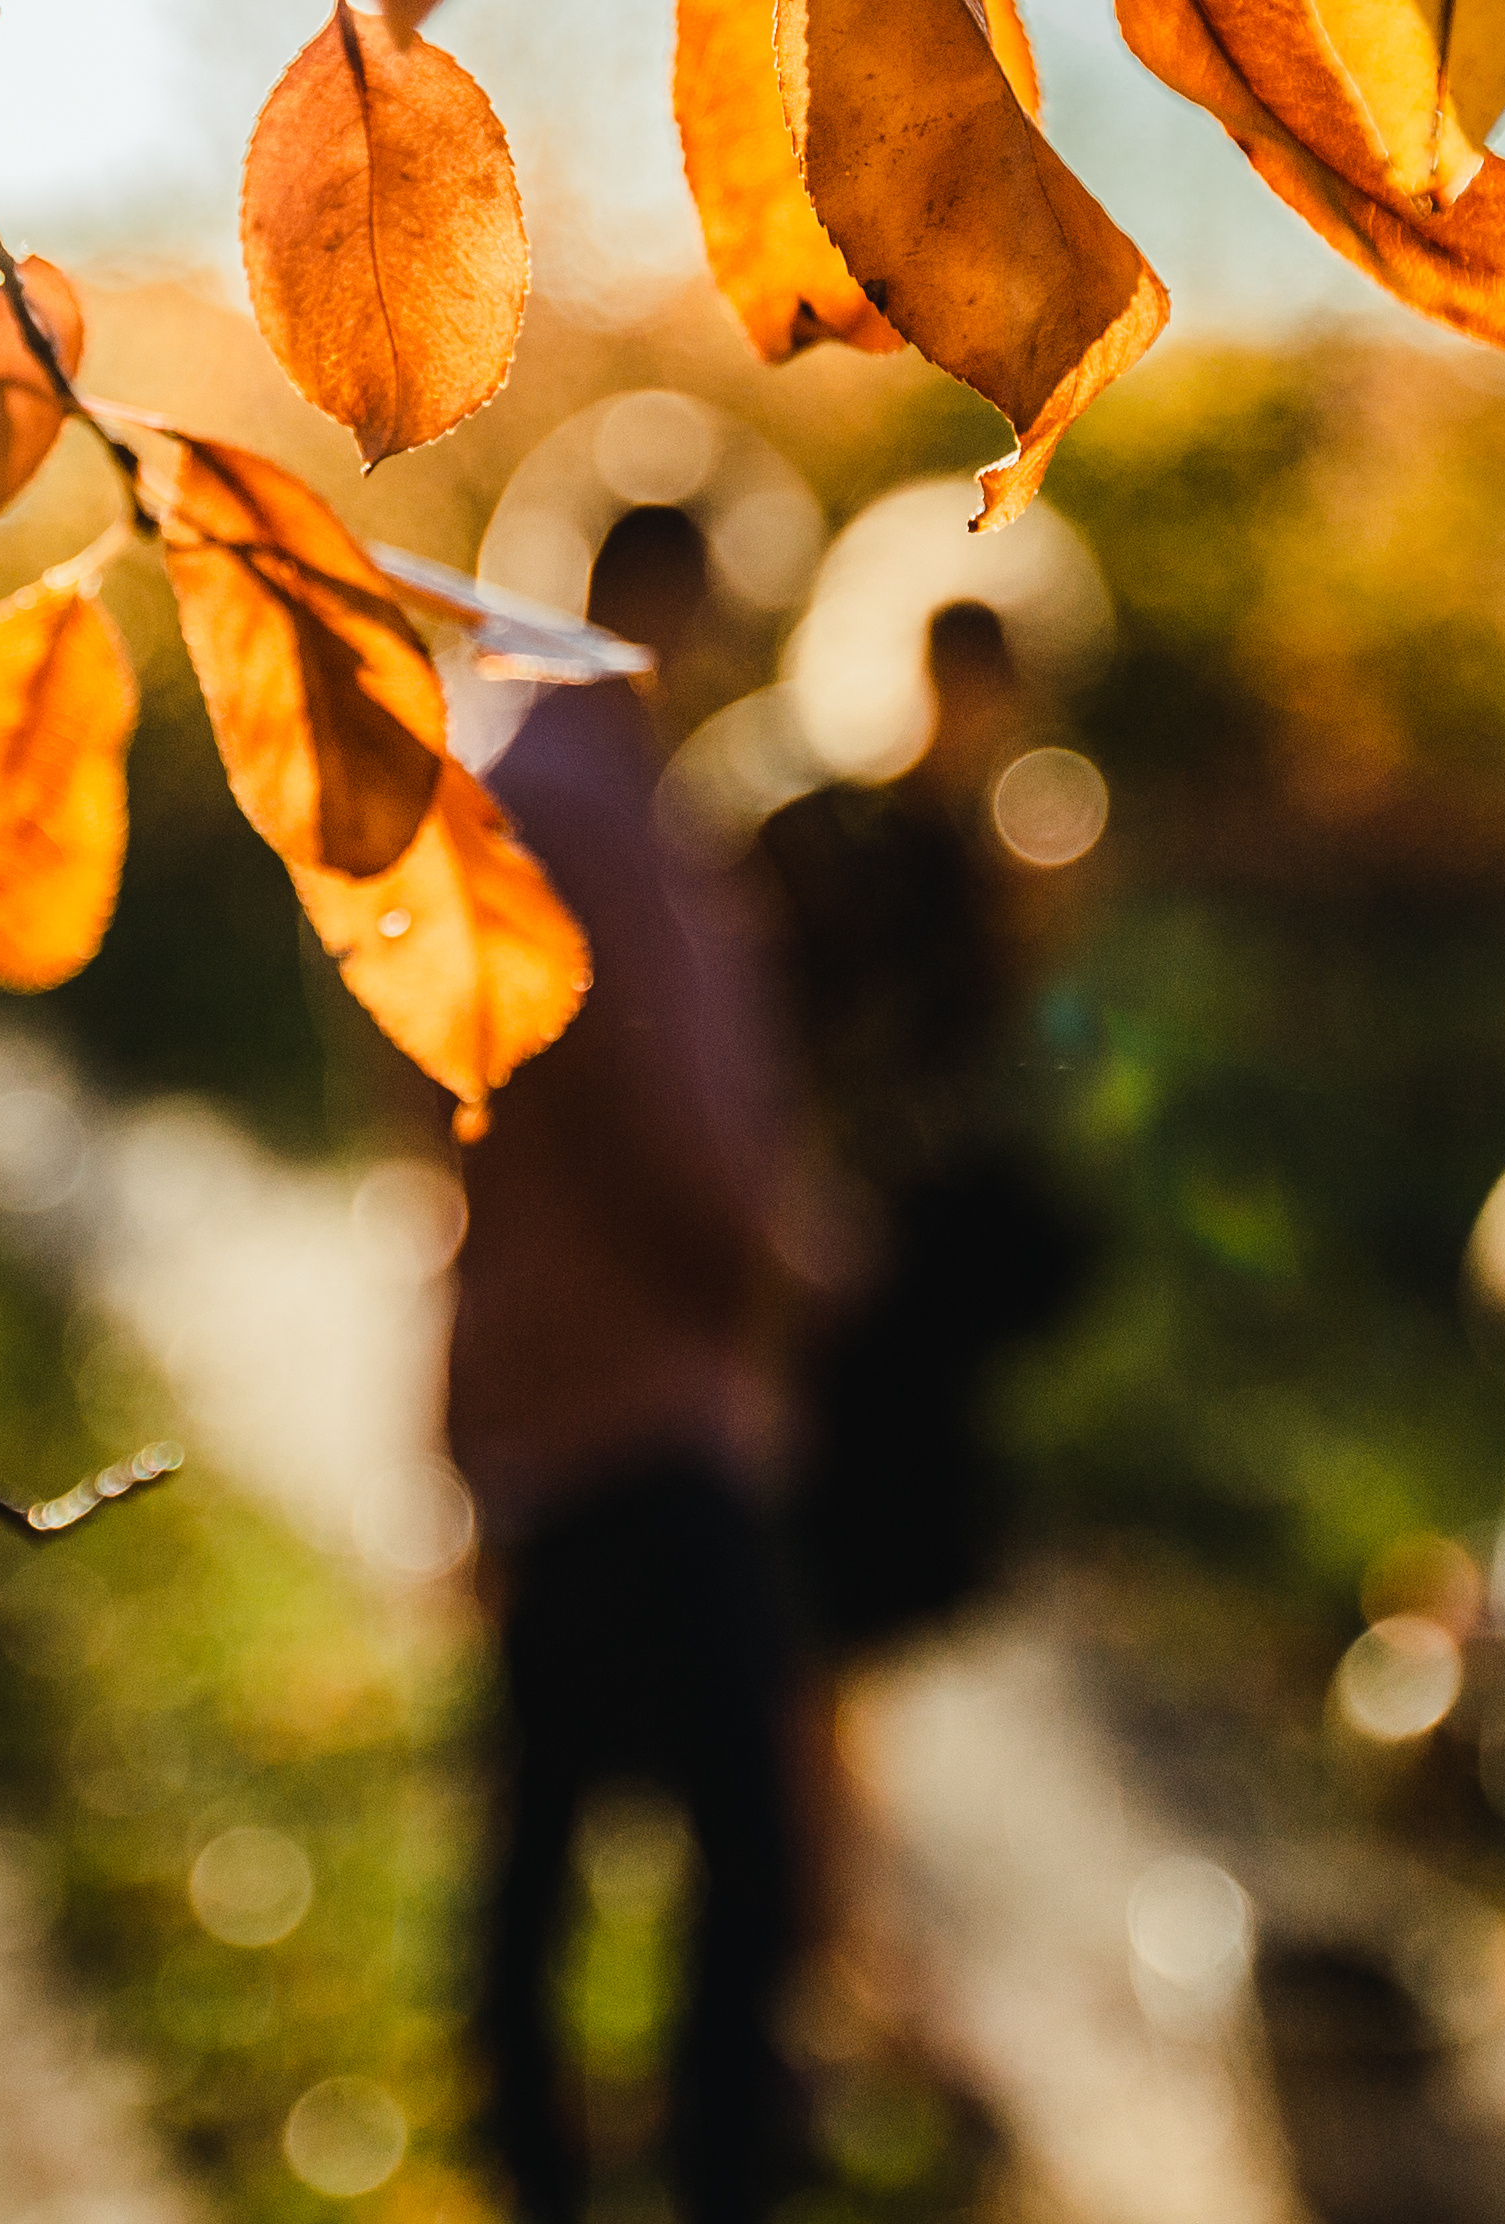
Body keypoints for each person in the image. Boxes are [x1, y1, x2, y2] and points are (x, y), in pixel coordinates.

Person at [446, 503, 818, 2224]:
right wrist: (774, 1262)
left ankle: (539, 2153)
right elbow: (655, 1097)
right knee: (742, 1846)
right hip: (630, 1384)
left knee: (547, 1803)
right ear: (655, 593)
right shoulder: (591, 799)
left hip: (535, 1358)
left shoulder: (511, 765)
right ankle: (691, 2169)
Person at [756, 599, 1097, 1663]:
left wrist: (1032, 920)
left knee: (860, 1602)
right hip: (814, 1231)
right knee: (809, 1568)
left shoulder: (989, 848)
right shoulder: (825, 828)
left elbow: (1020, 1047)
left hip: (908, 1252)